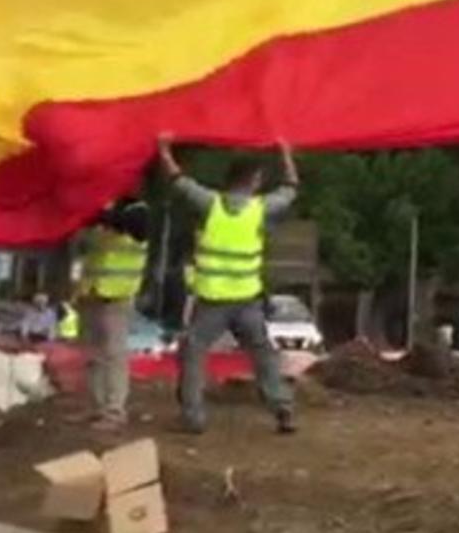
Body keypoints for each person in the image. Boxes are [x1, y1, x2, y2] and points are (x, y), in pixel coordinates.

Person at [158, 134, 301, 435]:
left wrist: (164, 148)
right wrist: (285, 152)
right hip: (247, 301)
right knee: (263, 356)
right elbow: (291, 189)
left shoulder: (212, 204)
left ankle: (193, 416)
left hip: (212, 302)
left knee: (194, 352)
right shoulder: (260, 209)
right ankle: (283, 409)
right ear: (254, 180)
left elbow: (177, 180)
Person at [74, 196, 150, 430]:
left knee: (114, 355)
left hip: (117, 294)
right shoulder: (102, 210)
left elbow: (133, 225)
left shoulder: (137, 210)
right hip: (92, 291)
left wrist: (99, 211)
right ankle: (97, 407)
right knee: (93, 354)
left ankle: (114, 411)